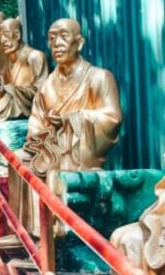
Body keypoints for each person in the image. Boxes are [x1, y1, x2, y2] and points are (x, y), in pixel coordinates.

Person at [12, 18, 122, 236]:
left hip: (79, 151)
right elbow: (35, 121)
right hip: (50, 149)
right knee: (19, 160)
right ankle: (30, 231)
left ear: (79, 43)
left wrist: (71, 119)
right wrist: (42, 134)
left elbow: (112, 118)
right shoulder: (47, 86)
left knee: (55, 176)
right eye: (52, 38)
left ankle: (54, 236)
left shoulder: (99, 77)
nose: (57, 43)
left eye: (63, 36)